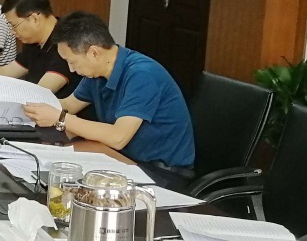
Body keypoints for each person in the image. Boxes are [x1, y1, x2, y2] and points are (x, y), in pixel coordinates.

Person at [22, 12, 195, 171]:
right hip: (120, 157)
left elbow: (118, 137)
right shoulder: (97, 73)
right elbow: (69, 105)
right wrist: (26, 104)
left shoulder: (142, 75)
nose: (71, 69)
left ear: (94, 53)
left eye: (72, 62)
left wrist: (60, 118)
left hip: (161, 171)